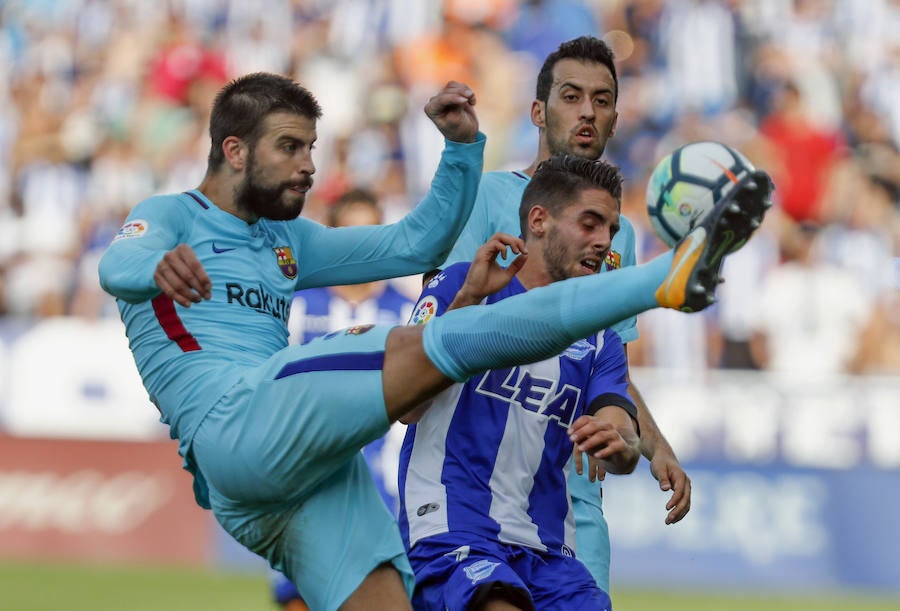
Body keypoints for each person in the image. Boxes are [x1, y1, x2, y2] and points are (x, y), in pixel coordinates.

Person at [98, 71, 772, 610]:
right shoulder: (174, 216)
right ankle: (662, 278)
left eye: (311, 148)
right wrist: (155, 267)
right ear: (234, 150)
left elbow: (413, 242)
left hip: (281, 480)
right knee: (416, 343)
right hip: (235, 416)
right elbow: (117, 262)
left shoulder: (287, 241)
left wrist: (460, 151)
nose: (308, 166)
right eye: (290, 148)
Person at [440, 35, 690, 591]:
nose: (587, 112)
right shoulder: (482, 197)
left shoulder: (619, 235)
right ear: (538, 111)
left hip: (572, 486)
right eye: (571, 96)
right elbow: (437, 325)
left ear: (615, 120)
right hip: (477, 479)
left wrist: (653, 444)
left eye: (602, 101)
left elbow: (607, 361)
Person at [400, 155, 642, 611]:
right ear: (539, 221)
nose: (603, 242)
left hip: (547, 549)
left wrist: (619, 441)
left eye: (611, 229)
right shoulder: (462, 285)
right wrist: (467, 302)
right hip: (454, 528)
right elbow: (404, 407)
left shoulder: (600, 335)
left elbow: (622, 435)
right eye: (589, 223)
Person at [272, 187, 414, 609]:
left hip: (389, 486)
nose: (362, 246)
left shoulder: (408, 312)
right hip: (309, 475)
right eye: (351, 234)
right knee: (299, 596)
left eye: (371, 233)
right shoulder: (297, 306)